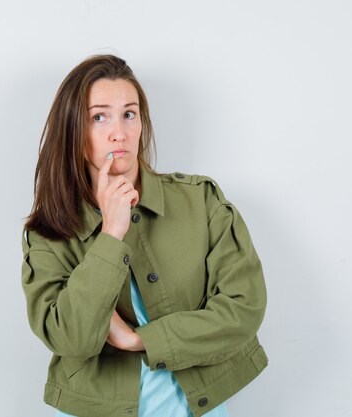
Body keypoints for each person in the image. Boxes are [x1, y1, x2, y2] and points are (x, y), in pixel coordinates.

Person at [20, 54, 269, 417]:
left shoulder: (201, 200)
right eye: (99, 116)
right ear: (73, 130)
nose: (118, 132)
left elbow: (243, 308)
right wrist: (111, 233)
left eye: (129, 114)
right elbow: (69, 337)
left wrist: (139, 339)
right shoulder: (50, 231)